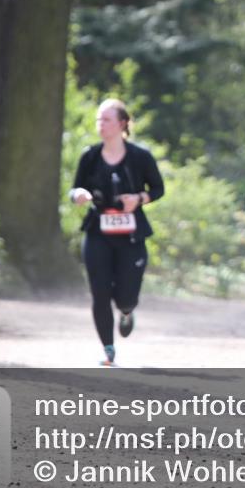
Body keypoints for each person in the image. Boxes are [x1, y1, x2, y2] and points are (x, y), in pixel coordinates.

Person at [69, 98, 164, 366]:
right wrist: (79, 195)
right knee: (99, 292)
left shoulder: (140, 157)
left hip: (131, 236)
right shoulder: (90, 156)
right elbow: (74, 188)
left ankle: (126, 311)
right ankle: (108, 350)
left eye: (107, 119)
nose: (101, 125)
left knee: (125, 294)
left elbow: (158, 188)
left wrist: (139, 198)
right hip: (98, 233)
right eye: (99, 119)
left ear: (122, 124)